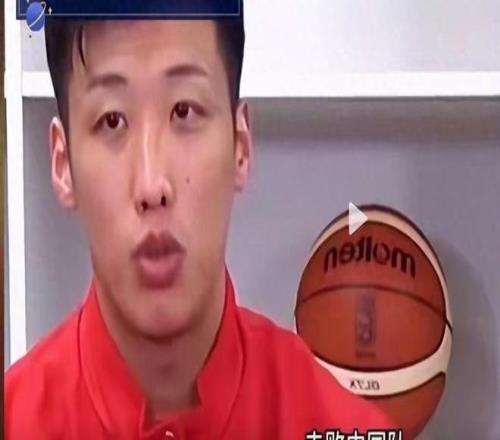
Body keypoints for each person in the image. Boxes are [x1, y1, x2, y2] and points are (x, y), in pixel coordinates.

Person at [5, 6, 396, 439]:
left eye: (184, 111)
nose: (152, 185)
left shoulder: (339, 425)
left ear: (240, 144)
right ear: (63, 165)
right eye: (112, 120)